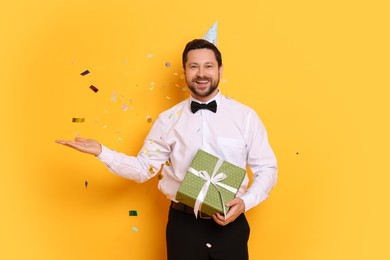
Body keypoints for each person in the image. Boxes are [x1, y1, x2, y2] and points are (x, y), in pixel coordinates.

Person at [56, 39, 278, 260]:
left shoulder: (245, 117)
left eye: (208, 66)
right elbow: (144, 168)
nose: (201, 73)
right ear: (184, 71)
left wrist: (245, 203)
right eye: (193, 66)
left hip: (231, 225)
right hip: (183, 226)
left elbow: (267, 168)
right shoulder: (168, 120)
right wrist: (102, 151)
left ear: (220, 69)